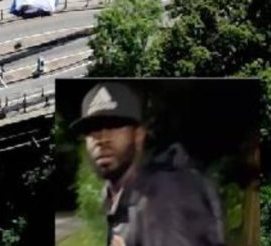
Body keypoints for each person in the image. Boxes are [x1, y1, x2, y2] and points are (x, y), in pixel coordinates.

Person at [70, 82, 225, 246]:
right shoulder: (121, 196)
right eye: (92, 130)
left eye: (114, 125)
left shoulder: (165, 198)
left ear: (138, 135)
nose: (102, 139)